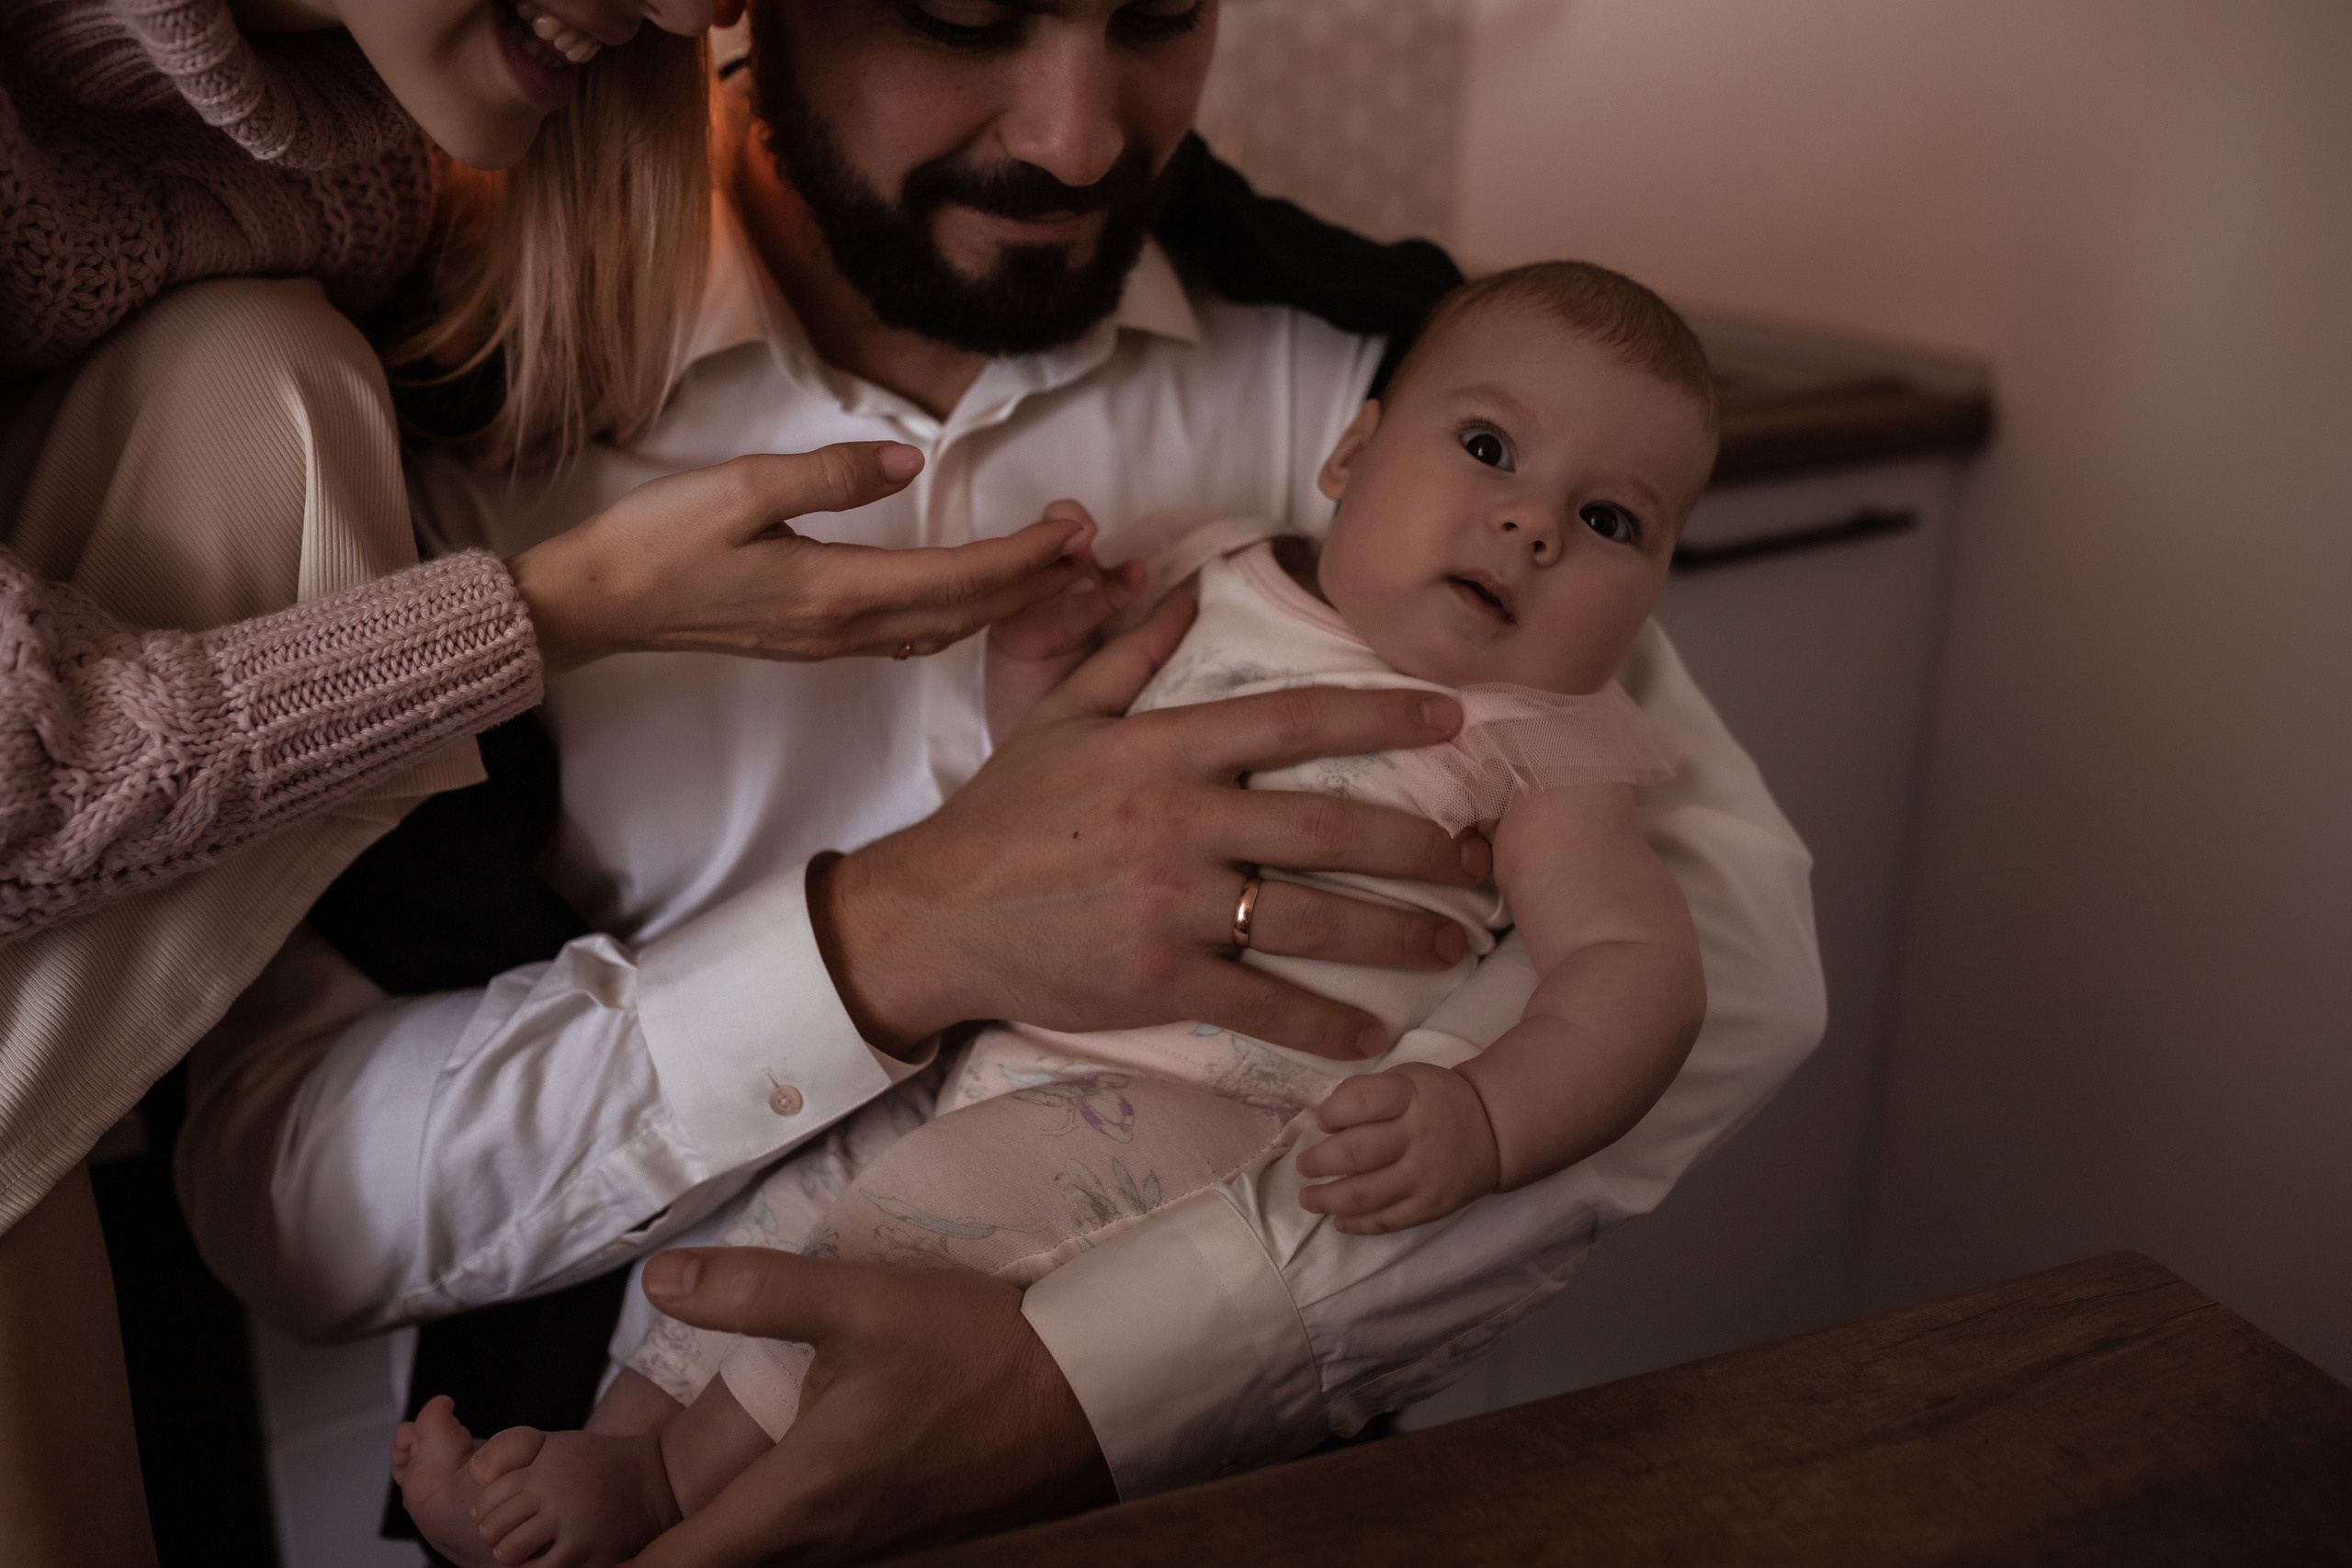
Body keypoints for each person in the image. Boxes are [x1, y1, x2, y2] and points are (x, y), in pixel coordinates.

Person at [175, 3, 1826, 1562]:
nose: (1079, 137)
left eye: (1161, 15)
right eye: (965, 14)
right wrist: (886, 944)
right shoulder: (413, 413)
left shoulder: (1384, 376)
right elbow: (281, 1199)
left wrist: (1099, 1375)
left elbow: (1735, 986)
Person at [388, 258, 1727, 1568]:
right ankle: (624, 1443)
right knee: (793, 1193)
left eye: (1613, 521)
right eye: (1490, 448)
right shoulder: (1222, 568)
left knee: (897, 1227)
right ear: (1350, 457)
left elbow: (1638, 973)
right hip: (998, 1036)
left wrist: (1490, 1119)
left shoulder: (1543, 743)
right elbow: (1054, 804)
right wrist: (1033, 664)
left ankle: (677, 1501)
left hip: (1196, 1115)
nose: (1536, 525)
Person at [0, 1, 1102, 1560]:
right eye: (966, 16)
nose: (705, 9)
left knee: (257, 379)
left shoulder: (369, 171)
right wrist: (556, 615)